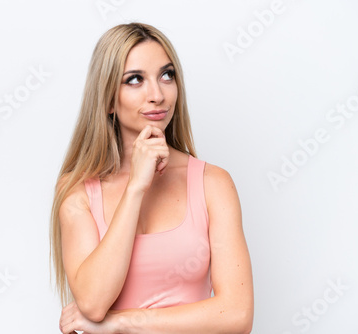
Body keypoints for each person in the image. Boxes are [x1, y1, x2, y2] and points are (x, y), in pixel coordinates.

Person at [50, 22, 253, 334]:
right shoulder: (77, 190)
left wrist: (122, 323)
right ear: (106, 100)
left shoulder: (213, 183)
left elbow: (237, 314)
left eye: (167, 75)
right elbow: (92, 302)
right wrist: (136, 187)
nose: (157, 94)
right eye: (134, 80)